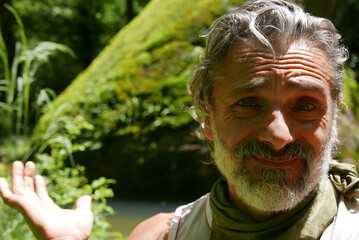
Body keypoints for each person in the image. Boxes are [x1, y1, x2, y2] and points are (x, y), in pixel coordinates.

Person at [1, 0, 359, 239]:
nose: (278, 135)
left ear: (334, 114)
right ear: (207, 116)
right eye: (249, 103)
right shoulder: (159, 236)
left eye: (306, 106)